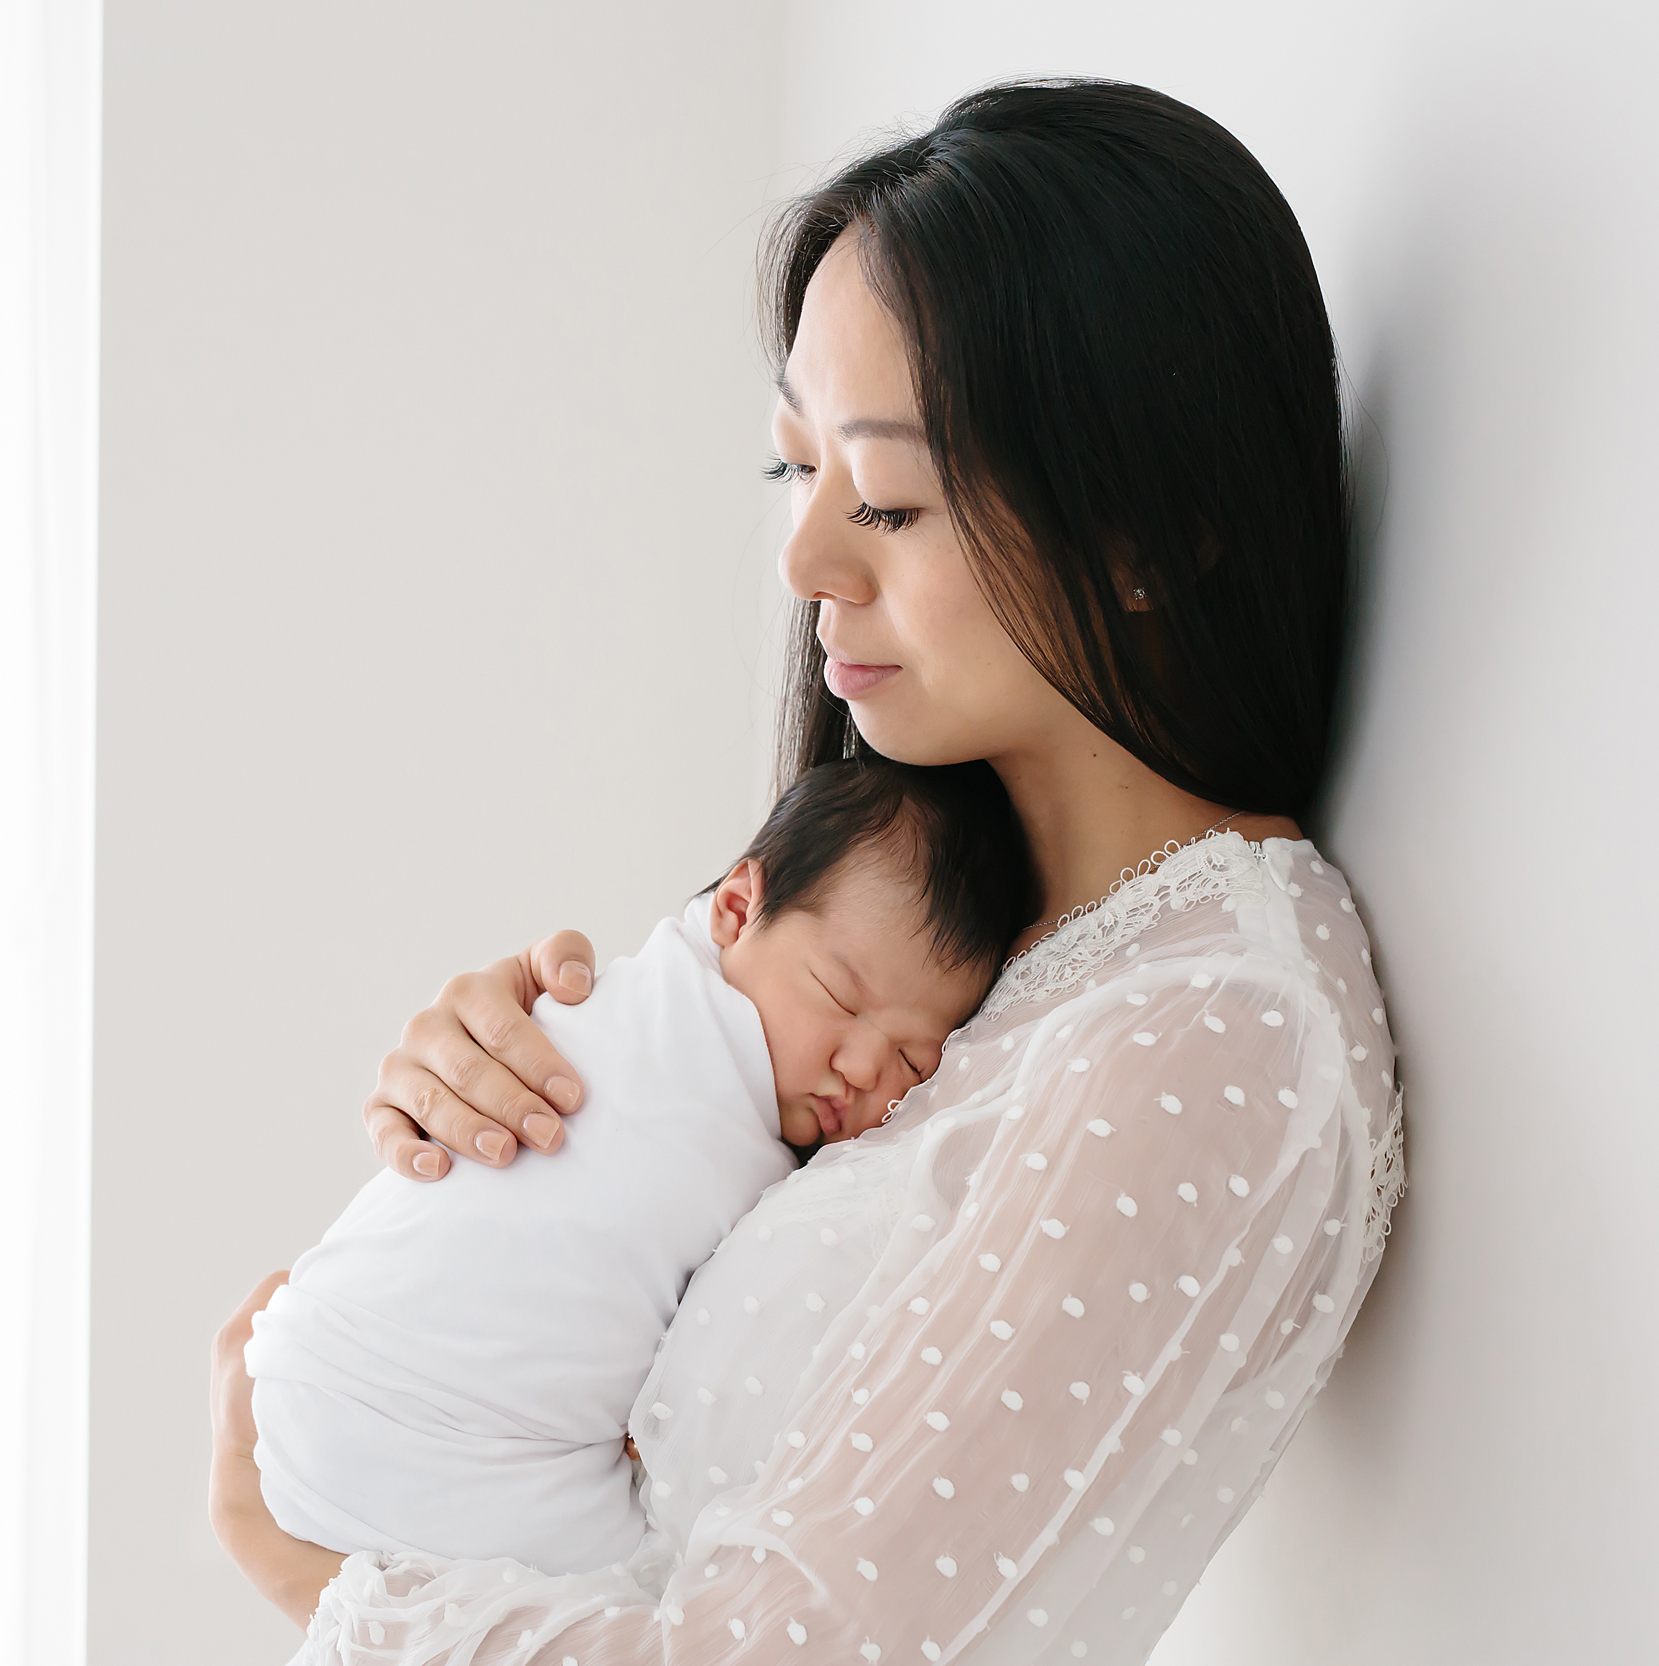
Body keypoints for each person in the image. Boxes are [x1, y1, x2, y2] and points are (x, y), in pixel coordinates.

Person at [207, 77, 1407, 1666]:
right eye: (798, 469)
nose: (804, 561)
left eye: (890, 495)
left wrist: (311, 1566)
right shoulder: (965, 949)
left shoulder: (1210, 1031)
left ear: (1147, 533)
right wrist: (519, 1134)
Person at [243, 758, 1035, 1575]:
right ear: (735, 909)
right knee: (647, 1601)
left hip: (306, 1378)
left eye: (913, 1058)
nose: (866, 1066)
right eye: (839, 997)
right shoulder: (653, 1021)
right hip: (428, 1425)